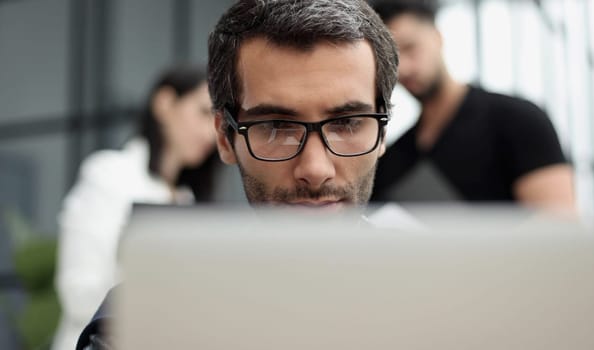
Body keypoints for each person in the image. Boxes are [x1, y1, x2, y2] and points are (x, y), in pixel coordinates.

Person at [75, 0, 399, 348]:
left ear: (382, 132)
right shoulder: (145, 319)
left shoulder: (445, 294)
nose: (316, 169)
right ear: (224, 138)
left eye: (348, 123)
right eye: (276, 127)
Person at [53, 65, 219, 350]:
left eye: (217, 122)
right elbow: (79, 293)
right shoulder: (109, 174)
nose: (210, 133)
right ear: (165, 104)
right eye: (203, 113)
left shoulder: (186, 198)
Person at [370, 0, 575, 211]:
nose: (403, 68)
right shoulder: (393, 159)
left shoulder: (519, 121)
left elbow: (559, 226)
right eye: (392, 59)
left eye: (410, 48)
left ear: (437, 37)